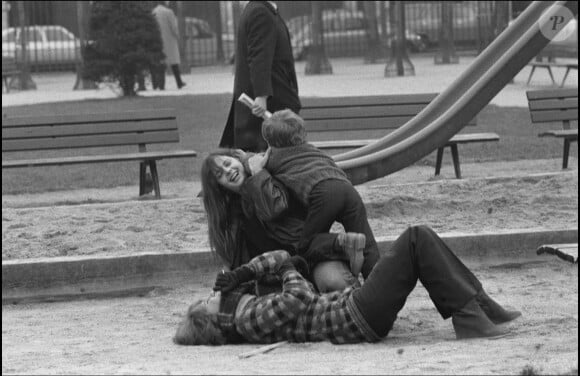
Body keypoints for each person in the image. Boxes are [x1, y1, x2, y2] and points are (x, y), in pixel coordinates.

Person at [173, 225, 522, 346]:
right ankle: (471, 318)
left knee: (421, 236)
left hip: (356, 308)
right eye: (207, 302)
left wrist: (245, 272)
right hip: (357, 316)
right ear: (214, 321)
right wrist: (289, 268)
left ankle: (477, 305)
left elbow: (279, 254)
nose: (213, 294)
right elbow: (298, 297)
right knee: (414, 239)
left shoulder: (249, 301)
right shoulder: (247, 320)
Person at [201, 149, 368, 293]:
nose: (228, 171)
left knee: (335, 281)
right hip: (277, 272)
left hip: (311, 257)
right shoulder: (233, 215)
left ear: (238, 159)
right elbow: (234, 260)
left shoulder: (272, 173)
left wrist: (258, 171)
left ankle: (358, 308)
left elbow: (273, 208)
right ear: (220, 186)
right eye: (220, 174)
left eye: (228, 163)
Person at [255, 108, 380, 280]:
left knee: (306, 245)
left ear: (269, 141)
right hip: (347, 189)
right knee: (367, 243)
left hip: (323, 194)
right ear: (301, 134)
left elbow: (258, 170)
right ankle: (378, 281)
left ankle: (343, 242)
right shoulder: (312, 150)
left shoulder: (273, 159)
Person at [219, 1, 300, 153]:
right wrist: (261, 96)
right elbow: (259, 58)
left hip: (273, 104)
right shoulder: (260, 12)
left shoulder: (264, 10)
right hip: (268, 108)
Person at [152, 1, 186, 90]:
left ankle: (160, 85)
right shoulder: (169, 12)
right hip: (169, 40)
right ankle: (179, 83)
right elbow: (174, 28)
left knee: (161, 63)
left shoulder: (153, 12)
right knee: (174, 63)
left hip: (158, 40)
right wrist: (178, 36)